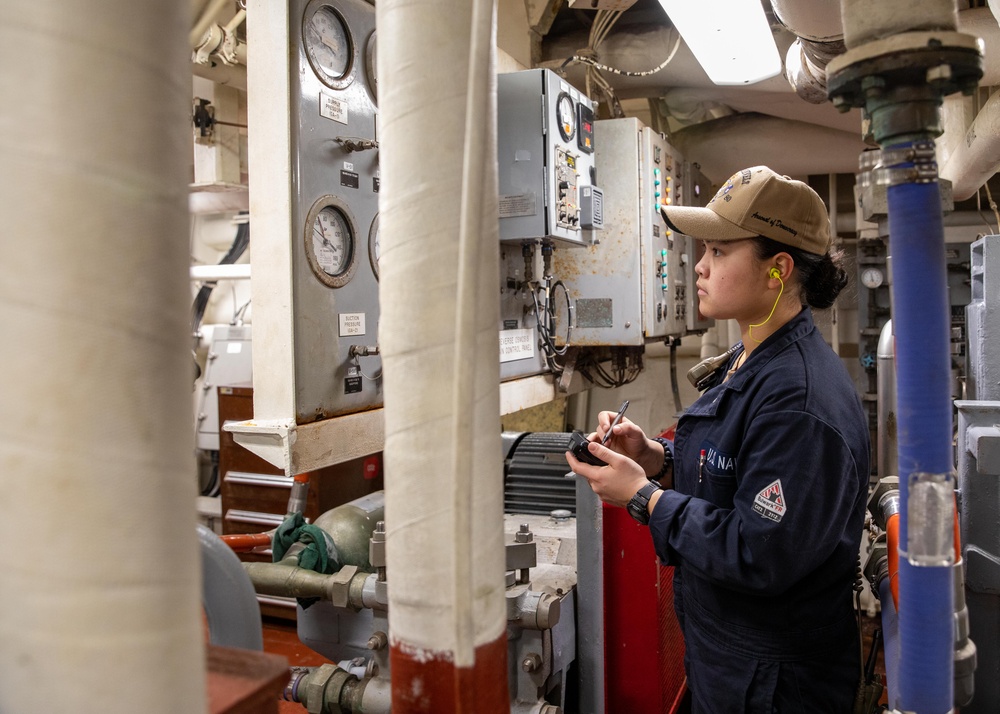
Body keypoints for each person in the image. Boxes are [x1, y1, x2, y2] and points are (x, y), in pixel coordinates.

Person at [566, 166, 871, 713]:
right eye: (703, 250)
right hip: (729, 660)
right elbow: (730, 475)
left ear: (778, 270)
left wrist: (643, 496)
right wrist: (655, 459)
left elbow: (761, 550)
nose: (700, 267)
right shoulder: (750, 358)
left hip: (775, 684)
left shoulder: (799, 400)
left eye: (719, 252)